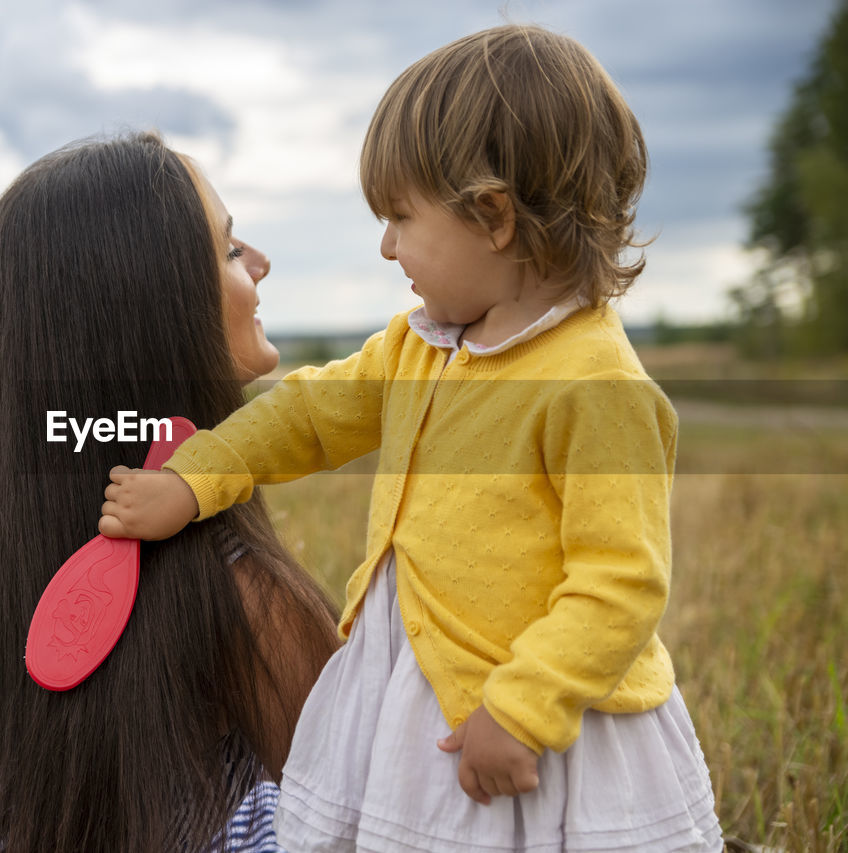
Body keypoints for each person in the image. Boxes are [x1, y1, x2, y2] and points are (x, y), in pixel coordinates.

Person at [99, 26, 724, 852]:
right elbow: (308, 415)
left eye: (401, 216)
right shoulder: (419, 344)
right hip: (420, 698)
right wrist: (196, 476)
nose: (387, 244)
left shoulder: (595, 386)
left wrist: (525, 703)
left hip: (539, 725)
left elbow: (621, 582)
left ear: (493, 216)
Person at [0, 132, 340, 853]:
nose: (260, 262)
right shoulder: (245, 602)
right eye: (227, 249)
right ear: (157, 312)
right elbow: (368, 810)